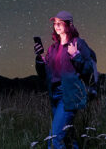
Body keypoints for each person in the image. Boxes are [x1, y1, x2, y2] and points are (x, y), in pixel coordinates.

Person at [34, 11, 94, 149]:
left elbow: (88, 70)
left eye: (60, 23)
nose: (57, 26)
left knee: (54, 139)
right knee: (68, 138)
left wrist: (76, 56)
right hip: (54, 95)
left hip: (68, 95)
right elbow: (43, 75)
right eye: (55, 23)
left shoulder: (78, 43)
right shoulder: (52, 49)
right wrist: (39, 60)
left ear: (69, 25)